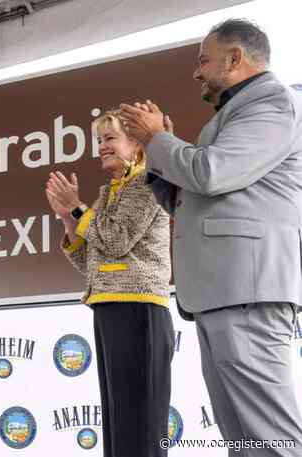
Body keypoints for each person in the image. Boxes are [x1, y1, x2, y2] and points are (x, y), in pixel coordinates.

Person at [120, 19, 302, 454]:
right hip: (222, 293)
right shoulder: (230, 118)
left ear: (235, 58)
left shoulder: (273, 103)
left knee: (272, 435)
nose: (197, 72)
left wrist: (161, 139)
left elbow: (210, 172)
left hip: (246, 291)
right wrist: (157, 156)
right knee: (243, 437)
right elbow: (191, 197)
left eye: (204, 60)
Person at [46, 109, 174, 457]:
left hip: (139, 309)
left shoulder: (148, 181)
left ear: (136, 144)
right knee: (120, 428)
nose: (102, 147)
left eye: (110, 138)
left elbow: (117, 241)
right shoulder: (107, 193)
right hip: (110, 309)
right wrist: (67, 217)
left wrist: (76, 209)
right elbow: (91, 262)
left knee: (141, 427)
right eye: (99, 140)